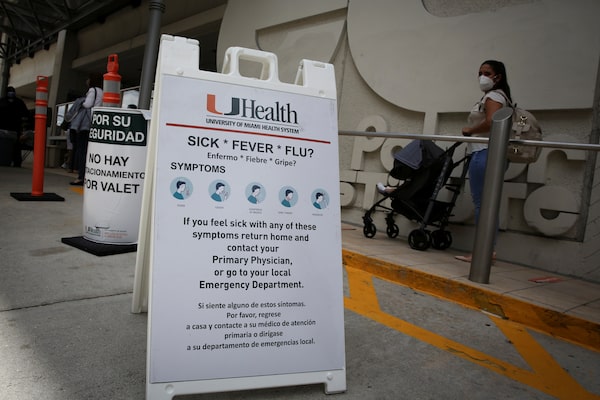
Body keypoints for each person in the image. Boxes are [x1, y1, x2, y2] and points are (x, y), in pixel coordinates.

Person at [455, 60, 511, 263]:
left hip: (484, 153)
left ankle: (483, 252)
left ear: (498, 77)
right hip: (493, 154)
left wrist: (470, 130)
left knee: (482, 204)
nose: (482, 77)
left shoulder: (493, 96)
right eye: (480, 73)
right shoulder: (502, 97)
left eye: (487, 73)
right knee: (488, 204)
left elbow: (491, 121)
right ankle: (488, 250)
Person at [70, 73, 103, 185]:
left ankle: (81, 176)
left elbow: (88, 104)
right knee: (89, 151)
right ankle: (87, 175)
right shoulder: (102, 91)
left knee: (81, 151)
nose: (87, 81)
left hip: (85, 125)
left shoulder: (93, 90)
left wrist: (80, 102)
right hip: (95, 123)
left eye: (88, 79)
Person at [0, 87, 31, 167]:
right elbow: (26, 114)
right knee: (15, 146)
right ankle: (16, 162)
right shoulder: (18, 102)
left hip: (12, 128)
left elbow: (26, 114)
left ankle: (15, 161)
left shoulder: (4, 101)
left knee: (14, 146)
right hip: (11, 128)